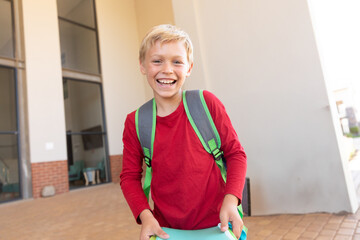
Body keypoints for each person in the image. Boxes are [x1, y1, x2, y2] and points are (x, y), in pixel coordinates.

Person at [120, 24, 247, 240]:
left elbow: (236, 154)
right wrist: (145, 216)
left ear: (189, 68)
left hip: (218, 226)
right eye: (157, 60)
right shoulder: (136, 122)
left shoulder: (206, 103)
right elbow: (129, 177)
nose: (167, 69)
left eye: (177, 61)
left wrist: (231, 200)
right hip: (167, 231)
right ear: (142, 65)